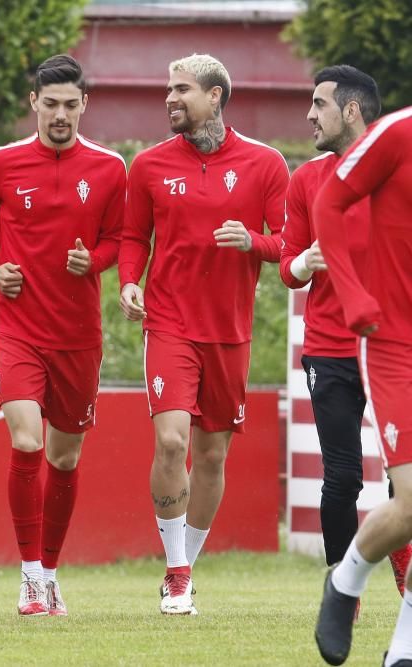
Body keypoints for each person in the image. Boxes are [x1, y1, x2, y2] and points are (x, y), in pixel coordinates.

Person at [0, 54, 126, 616]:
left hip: (78, 334)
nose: (60, 115)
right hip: (16, 326)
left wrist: (93, 261)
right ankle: (29, 578)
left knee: (66, 457)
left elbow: (122, 239)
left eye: (70, 105)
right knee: (27, 440)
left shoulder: (109, 168)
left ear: (85, 106)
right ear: (33, 103)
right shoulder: (2, 162)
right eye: (50, 104)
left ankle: (51, 573)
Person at [118, 53, 288, 616]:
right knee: (171, 443)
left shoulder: (265, 165)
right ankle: (174, 570)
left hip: (231, 332)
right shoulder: (147, 166)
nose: (170, 98)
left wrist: (253, 243)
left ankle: (187, 565)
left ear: (215, 96)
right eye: (168, 88)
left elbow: (289, 245)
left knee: (212, 457)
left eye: (182, 89)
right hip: (168, 323)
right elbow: (133, 236)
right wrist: (127, 281)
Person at [280, 65, 410, 601]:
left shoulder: (395, 170)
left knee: (402, 483)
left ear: (351, 110)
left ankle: (405, 587)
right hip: (331, 348)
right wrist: (307, 263)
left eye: (320, 104)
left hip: (389, 344)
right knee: (342, 479)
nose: (309, 115)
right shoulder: (306, 181)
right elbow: (286, 267)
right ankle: (341, 585)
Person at [312, 105, 412, 666]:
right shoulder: (396, 133)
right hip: (395, 342)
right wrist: (351, 294)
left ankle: (403, 649)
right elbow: (330, 202)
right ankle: (346, 580)